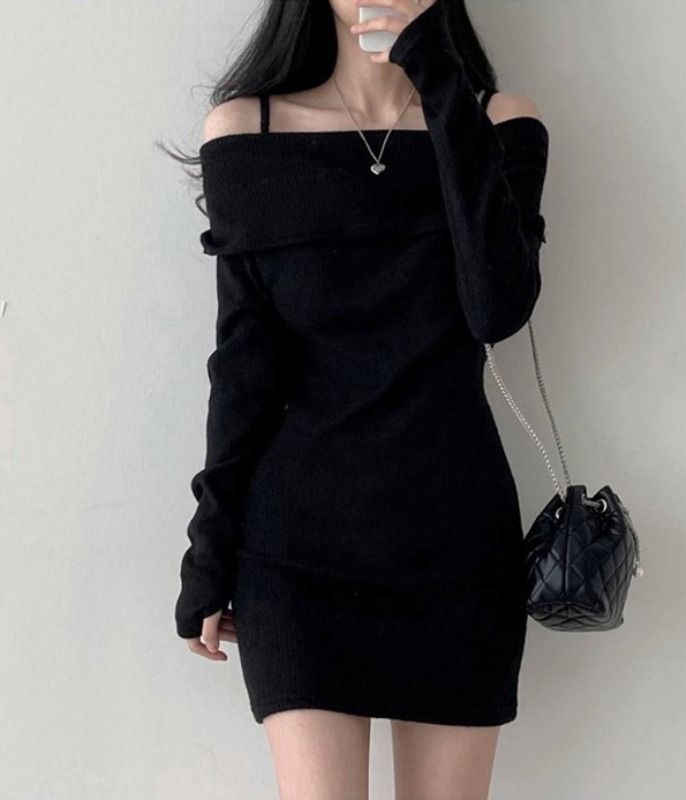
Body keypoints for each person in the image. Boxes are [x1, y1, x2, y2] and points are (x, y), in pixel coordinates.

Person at [170, 0, 549, 796]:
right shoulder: (248, 131)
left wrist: (435, 73)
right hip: (296, 555)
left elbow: (496, 310)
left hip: (456, 547)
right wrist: (209, 554)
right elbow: (243, 368)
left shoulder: (499, 121)